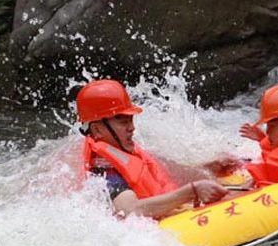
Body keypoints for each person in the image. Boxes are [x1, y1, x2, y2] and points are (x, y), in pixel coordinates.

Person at [77, 79, 228, 218]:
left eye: (131, 121)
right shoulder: (104, 172)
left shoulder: (125, 150)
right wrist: (191, 192)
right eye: (124, 122)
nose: (132, 128)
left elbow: (166, 175)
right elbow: (130, 210)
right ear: (97, 130)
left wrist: (208, 168)